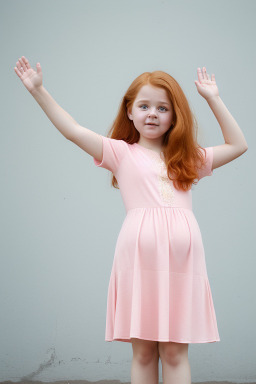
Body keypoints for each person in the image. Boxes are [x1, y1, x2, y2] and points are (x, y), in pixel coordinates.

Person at [14, 56, 248, 384]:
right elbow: (72, 130)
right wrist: (39, 91)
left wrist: (213, 98)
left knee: (175, 352)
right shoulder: (120, 153)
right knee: (143, 352)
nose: (152, 113)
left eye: (162, 108)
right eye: (144, 106)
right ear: (130, 111)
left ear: (174, 116)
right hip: (139, 260)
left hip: (182, 262)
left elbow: (239, 145)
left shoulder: (188, 158)